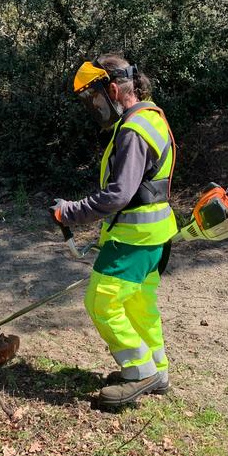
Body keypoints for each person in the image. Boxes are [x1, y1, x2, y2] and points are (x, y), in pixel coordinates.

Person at [50, 54, 177, 408]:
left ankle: (139, 371)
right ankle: (158, 370)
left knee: (100, 301)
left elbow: (119, 194)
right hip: (154, 238)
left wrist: (69, 212)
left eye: (94, 98)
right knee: (139, 305)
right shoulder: (149, 117)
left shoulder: (133, 130)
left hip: (134, 240)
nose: (93, 106)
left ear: (113, 89)